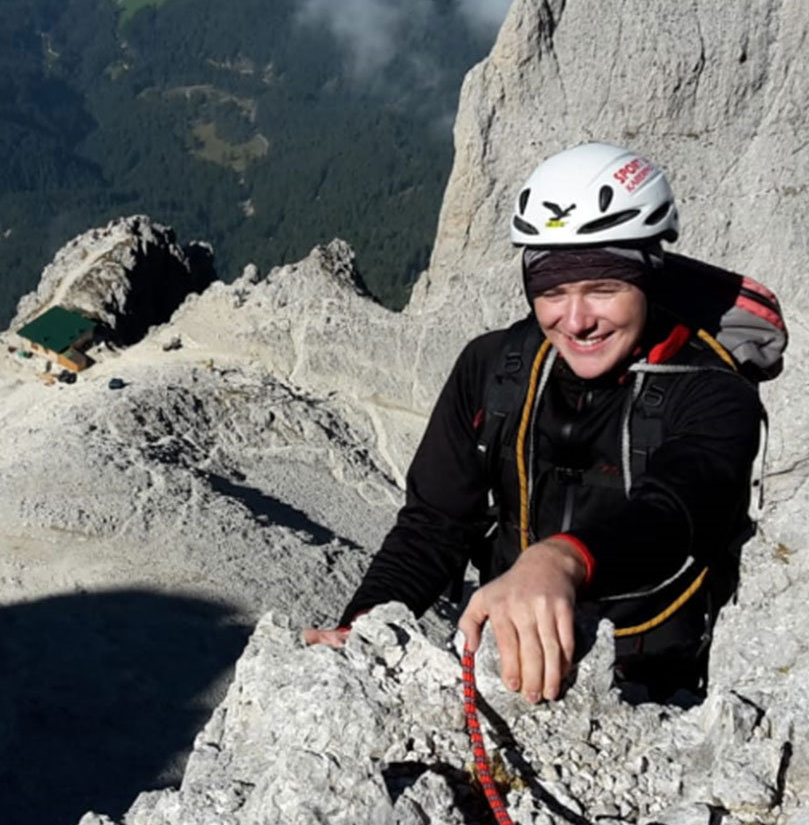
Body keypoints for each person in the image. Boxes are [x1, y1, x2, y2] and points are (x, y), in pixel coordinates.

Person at [305, 143, 771, 706]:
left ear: (648, 278)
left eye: (604, 288)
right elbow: (435, 525)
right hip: (506, 664)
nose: (576, 320)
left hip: (658, 694)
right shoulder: (494, 369)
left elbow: (678, 508)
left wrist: (562, 559)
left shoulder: (712, 391)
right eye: (551, 291)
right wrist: (363, 627)